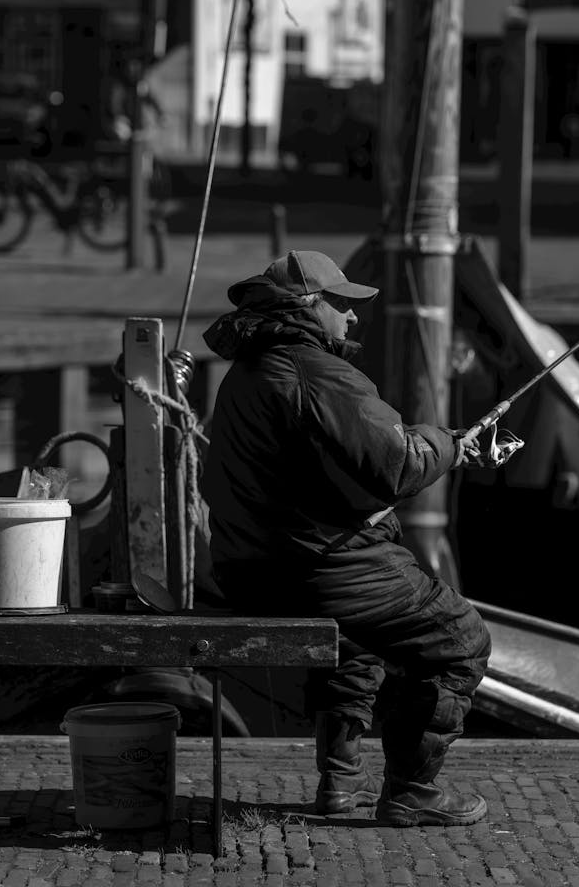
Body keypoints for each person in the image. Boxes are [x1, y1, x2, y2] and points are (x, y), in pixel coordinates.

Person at [201, 249, 492, 827]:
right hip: (313, 569)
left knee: (358, 642)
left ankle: (341, 782)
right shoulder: (316, 372)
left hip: (249, 570)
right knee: (459, 636)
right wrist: (451, 443)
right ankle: (412, 789)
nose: (352, 317)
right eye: (341, 304)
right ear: (309, 305)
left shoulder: (248, 372)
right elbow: (400, 467)